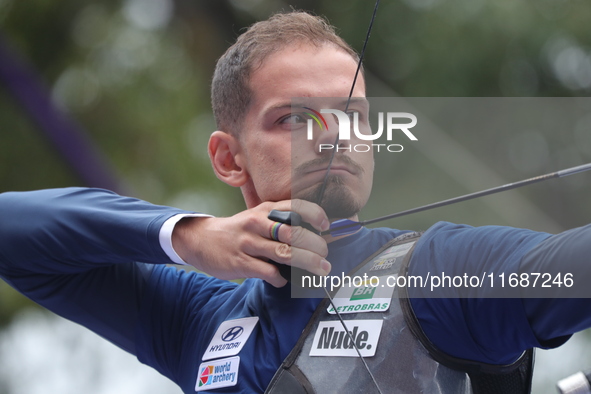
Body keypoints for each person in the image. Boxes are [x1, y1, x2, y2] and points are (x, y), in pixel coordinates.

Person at [1, 11, 591, 394]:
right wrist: (190, 234)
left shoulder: (445, 270)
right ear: (230, 158)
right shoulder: (200, 320)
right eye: (294, 118)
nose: (334, 134)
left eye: (352, 116)